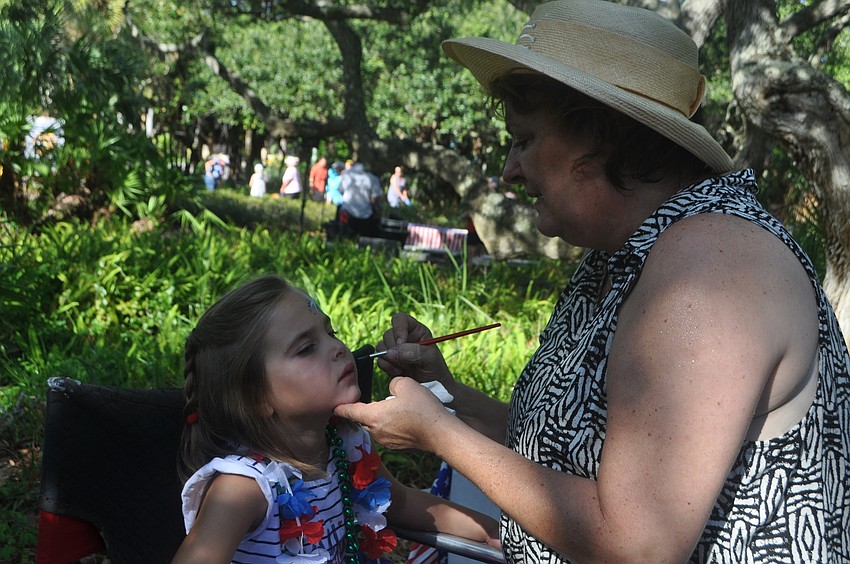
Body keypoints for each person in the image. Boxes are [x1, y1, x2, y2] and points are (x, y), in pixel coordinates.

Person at [334, 1, 850, 562]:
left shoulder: (711, 266)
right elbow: (573, 458)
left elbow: (639, 543)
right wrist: (449, 399)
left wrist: (439, 433)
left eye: (524, 140)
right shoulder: (622, 256)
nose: (509, 170)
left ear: (597, 138)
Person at [171, 274, 499, 563]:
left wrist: (495, 534)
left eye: (331, 332)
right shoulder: (244, 486)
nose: (337, 348)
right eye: (306, 348)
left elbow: (404, 504)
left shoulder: (345, 446)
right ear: (257, 398)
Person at [339, 161, 382, 237]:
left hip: (347, 211)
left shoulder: (347, 174)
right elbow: (375, 199)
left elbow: (340, 190)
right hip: (365, 214)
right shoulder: (373, 178)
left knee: (345, 238)